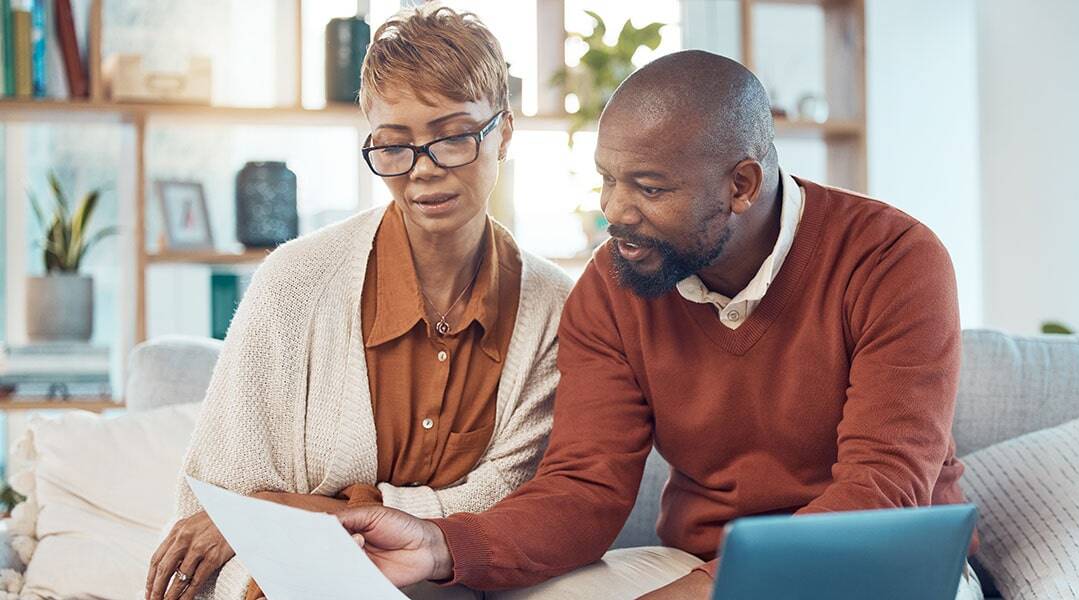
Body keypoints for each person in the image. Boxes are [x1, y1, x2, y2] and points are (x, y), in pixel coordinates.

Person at [338, 49, 985, 600]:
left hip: (883, 571)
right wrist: (437, 546)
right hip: (697, 564)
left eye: (648, 188)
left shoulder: (892, 261)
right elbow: (585, 489)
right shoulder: (614, 285)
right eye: (607, 180)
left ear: (740, 185)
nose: (615, 212)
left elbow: (881, 493)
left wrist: (710, 591)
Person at [144, 7, 572, 600]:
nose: (423, 172)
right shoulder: (295, 279)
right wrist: (288, 519)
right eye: (394, 145)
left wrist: (296, 508)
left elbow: (499, 502)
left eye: (453, 137)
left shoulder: (553, 307)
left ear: (503, 131)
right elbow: (216, 500)